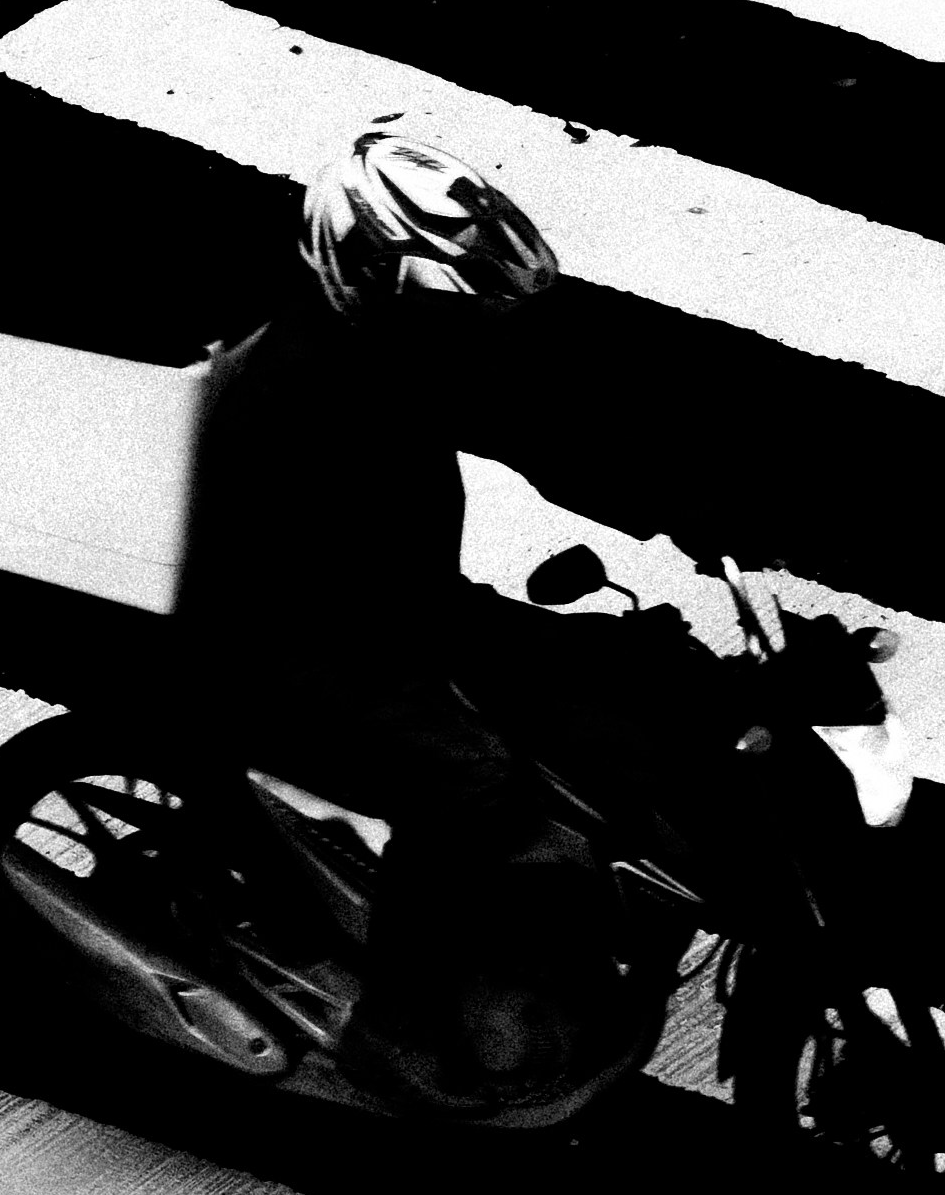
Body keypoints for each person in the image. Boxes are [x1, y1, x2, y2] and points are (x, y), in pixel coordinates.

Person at [177, 127, 621, 1113]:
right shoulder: (309, 387)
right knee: (472, 780)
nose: (475, 328)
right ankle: (401, 1028)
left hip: (373, 600)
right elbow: (322, 593)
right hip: (283, 638)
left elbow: (539, 423)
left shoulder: (384, 349)